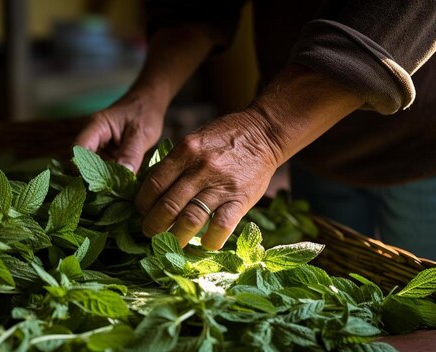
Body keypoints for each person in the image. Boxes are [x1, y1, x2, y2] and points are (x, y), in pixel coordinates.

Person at [74, 1, 436, 259]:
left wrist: (262, 136)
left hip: (424, 142)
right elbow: (194, 7)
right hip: (312, 138)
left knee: (425, 327)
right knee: (338, 273)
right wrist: (149, 93)